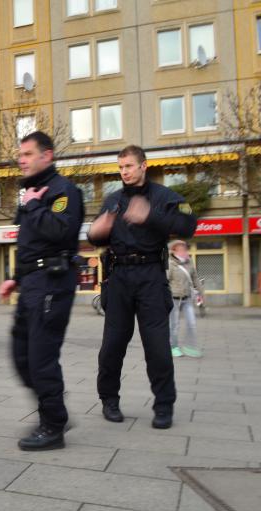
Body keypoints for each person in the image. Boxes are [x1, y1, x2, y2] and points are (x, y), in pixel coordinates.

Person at [88, 145, 197, 430]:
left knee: (158, 348)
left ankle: (164, 406)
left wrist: (150, 216)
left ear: (143, 166)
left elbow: (188, 225)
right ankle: (108, 400)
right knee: (112, 346)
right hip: (119, 277)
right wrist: (96, 232)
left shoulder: (164, 197)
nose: (123, 171)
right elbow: (96, 235)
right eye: (120, 166)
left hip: (150, 276)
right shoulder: (112, 200)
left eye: (129, 166)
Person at [0, 131, 83, 451]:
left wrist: (34, 206)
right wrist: (15, 277)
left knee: (41, 357)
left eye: (29, 154)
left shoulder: (64, 191)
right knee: (21, 355)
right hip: (32, 283)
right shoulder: (32, 192)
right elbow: (30, 243)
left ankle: (53, 426)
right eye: (21, 154)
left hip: (53, 282)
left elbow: (61, 232)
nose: (21, 159)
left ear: (47, 156)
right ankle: (53, 409)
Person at [168, 240, 203, 358]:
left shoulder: (189, 262)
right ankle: (173, 347)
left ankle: (189, 346)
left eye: (185, 248)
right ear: (174, 250)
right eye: (181, 249)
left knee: (192, 323)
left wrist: (201, 292)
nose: (184, 251)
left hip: (187, 298)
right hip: (174, 299)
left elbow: (195, 278)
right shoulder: (170, 264)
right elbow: (165, 282)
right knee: (174, 325)